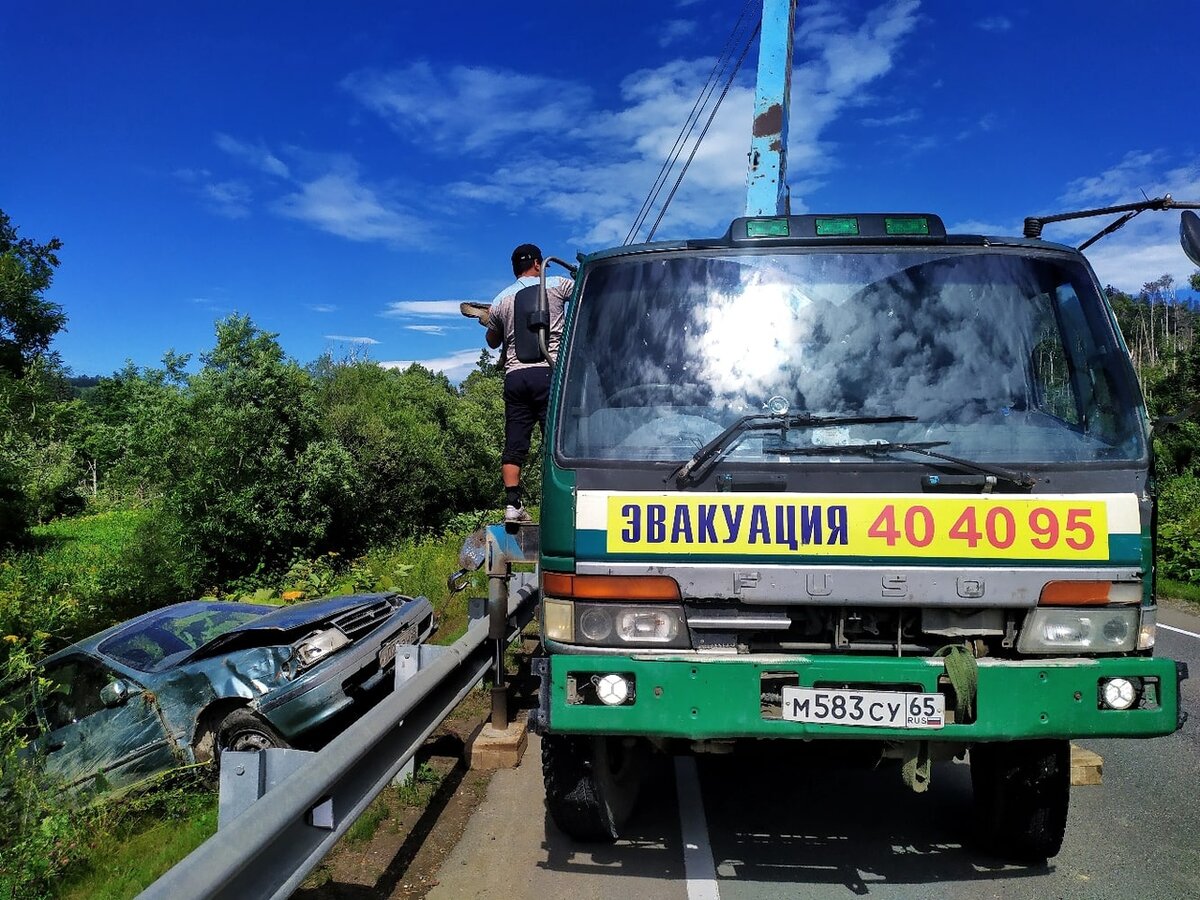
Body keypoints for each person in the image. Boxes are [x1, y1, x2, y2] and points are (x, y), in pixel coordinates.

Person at [482, 243, 574, 523]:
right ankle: (563, 504)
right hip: (550, 371)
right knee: (556, 442)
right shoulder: (557, 283)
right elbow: (587, 291)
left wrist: (494, 320)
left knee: (515, 444)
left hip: (515, 377)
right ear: (537, 263)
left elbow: (492, 340)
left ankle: (513, 505)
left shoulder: (501, 299)